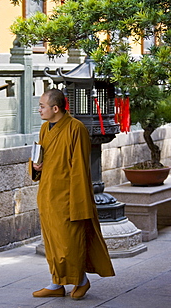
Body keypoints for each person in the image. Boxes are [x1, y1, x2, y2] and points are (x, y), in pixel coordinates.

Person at [31, 88, 115, 300]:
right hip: (48, 194)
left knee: (70, 242)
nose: (39, 109)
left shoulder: (76, 129)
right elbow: (39, 156)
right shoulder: (44, 129)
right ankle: (56, 283)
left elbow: (80, 169)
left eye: (42, 106)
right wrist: (35, 167)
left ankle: (81, 280)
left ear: (55, 108)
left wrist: (80, 203)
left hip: (68, 197)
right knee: (52, 242)